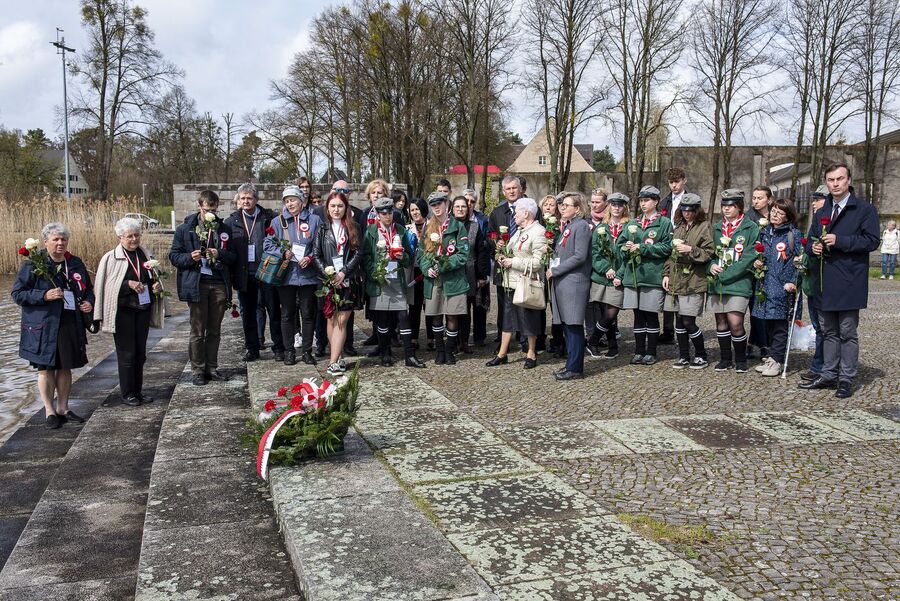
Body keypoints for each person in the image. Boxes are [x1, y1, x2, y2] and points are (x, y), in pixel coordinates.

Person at [799, 164, 880, 398]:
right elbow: (811, 239)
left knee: (847, 331)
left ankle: (846, 378)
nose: (835, 184)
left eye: (840, 179)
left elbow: (872, 241)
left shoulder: (864, 209)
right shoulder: (823, 211)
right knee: (828, 331)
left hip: (849, 280)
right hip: (824, 280)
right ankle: (828, 374)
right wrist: (813, 247)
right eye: (831, 180)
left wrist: (841, 240)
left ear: (848, 181)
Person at [13, 223, 94, 428]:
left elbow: (88, 289)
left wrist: (88, 302)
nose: (60, 243)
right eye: (56, 239)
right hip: (43, 325)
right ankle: (49, 410)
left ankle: (63, 408)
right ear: (45, 242)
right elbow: (18, 294)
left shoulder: (74, 262)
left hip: (69, 322)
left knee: (65, 366)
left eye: (63, 239)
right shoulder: (34, 264)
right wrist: (44, 295)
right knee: (46, 368)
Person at [93, 217, 165, 405]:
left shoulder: (145, 254)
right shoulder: (110, 258)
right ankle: (128, 393)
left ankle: (138, 391)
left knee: (140, 353)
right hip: (122, 311)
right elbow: (105, 287)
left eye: (137, 235)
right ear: (120, 237)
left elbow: (151, 278)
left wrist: (156, 286)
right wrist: (127, 284)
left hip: (142, 309)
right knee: (127, 354)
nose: (134, 239)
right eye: (129, 236)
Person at [169, 190, 237, 385]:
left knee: (214, 330)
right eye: (207, 209)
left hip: (218, 283)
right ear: (199, 207)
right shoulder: (185, 229)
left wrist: (220, 253)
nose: (211, 213)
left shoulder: (224, 229)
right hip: (196, 283)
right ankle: (198, 370)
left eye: (214, 210)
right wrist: (190, 257)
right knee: (197, 329)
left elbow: (233, 257)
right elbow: (174, 257)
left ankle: (212, 368)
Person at [224, 183, 284, 362]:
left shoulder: (269, 217)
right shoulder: (231, 221)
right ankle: (252, 348)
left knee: (273, 311)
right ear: (238, 200)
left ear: (256, 200)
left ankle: (278, 347)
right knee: (248, 313)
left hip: (267, 272)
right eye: (242, 198)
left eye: (249, 198)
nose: (246, 201)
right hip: (244, 275)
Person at [363, 197, 425, 367]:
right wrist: (374, 272)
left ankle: (409, 356)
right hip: (379, 279)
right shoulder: (371, 231)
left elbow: (410, 257)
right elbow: (366, 256)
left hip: (397, 278)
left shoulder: (401, 230)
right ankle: (385, 353)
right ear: (378, 214)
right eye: (384, 213)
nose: (388, 216)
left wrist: (402, 256)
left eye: (390, 212)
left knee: (403, 316)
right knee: (382, 319)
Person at [486, 197, 548, 369]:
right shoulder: (520, 230)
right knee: (508, 319)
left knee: (528, 318)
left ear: (526, 213)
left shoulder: (539, 232)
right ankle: (502, 353)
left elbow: (538, 263)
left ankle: (531, 353)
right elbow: (512, 251)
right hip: (511, 282)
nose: (514, 215)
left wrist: (512, 263)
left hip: (526, 283)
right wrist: (502, 253)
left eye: (517, 212)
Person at [265, 185, 323, 366]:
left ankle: (307, 351)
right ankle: (289, 351)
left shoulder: (314, 220)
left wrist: (310, 257)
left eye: (293, 199)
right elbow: (268, 245)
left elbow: (319, 244)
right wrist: (282, 253)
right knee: (287, 314)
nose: (290, 204)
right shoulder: (278, 221)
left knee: (307, 314)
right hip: (286, 276)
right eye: (287, 201)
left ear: (302, 201)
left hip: (308, 275)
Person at [617, 185, 673, 365]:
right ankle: (639, 350)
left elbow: (667, 248)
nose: (643, 204)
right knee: (638, 315)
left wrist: (644, 248)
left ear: (656, 201)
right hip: (633, 276)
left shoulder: (664, 223)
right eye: (641, 200)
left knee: (651, 315)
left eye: (647, 200)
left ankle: (651, 351)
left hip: (652, 277)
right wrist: (625, 248)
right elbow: (620, 244)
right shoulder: (633, 223)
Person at [706, 189, 760, 373]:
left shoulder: (750, 227)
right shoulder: (716, 227)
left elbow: (749, 257)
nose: (726, 209)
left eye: (731, 206)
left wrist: (727, 275)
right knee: (721, 321)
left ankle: (741, 359)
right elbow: (709, 252)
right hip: (717, 282)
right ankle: (725, 358)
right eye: (724, 206)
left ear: (739, 207)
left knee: (735, 322)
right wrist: (711, 266)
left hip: (738, 282)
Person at [751, 198, 804, 377]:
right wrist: (757, 263)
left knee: (780, 326)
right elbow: (759, 254)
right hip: (765, 285)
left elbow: (800, 261)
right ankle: (773, 356)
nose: (775, 215)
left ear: (788, 216)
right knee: (768, 325)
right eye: (773, 211)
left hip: (783, 287)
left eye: (780, 213)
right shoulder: (765, 232)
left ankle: (778, 360)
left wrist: (794, 282)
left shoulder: (793, 234)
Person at [313, 191, 364, 376]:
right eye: (333, 206)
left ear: (346, 208)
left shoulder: (354, 227)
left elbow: (358, 253)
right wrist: (328, 274)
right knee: (331, 319)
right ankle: (339, 356)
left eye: (340, 206)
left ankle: (332, 362)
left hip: (348, 280)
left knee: (342, 320)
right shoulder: (322, 229)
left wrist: (343, 272)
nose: (336, 209)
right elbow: (316, 254)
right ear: (327, 208)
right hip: (328, 281)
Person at [661, 193, 713, 369]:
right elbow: (670, 255)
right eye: (683, 209)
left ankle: (701, 354)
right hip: (676, 280)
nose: (687, 213)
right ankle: (683, 355)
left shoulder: (705, 227)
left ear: (697, 210)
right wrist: (666, 274)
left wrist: (690, 249)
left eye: (690, 210)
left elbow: (708, 253)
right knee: (678, 322)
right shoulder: (679, 227)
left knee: (688, 321)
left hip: (694, 280)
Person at [420, 192, 470, 364]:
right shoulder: (428, 227)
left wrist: (442, 265)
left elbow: (463, 254)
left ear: (446, 204)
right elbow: (421, 254)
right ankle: (439, 351)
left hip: (453, 279)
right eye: (433, 205)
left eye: (439, 204)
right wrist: (427, 269)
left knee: (452, 315)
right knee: (435, 315)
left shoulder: (457, 226)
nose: (437, 207)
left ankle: (450, 350)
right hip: (433, 280)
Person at [548, 192, 592, 380]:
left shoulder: (581, 226)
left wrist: (556, 271)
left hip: (573, 283)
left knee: (574, 326)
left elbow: (580, 256)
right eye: (562, 205)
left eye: (567, 205)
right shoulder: (568, 226)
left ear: (578, 209)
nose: (562, 207)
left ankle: (575, 368)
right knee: (567, 326)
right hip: (564, 283)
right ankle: (570, 364)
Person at [586, 193, 630, 359]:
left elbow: (630, 255)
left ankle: (593, 341)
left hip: (618, 278)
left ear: (624, 207)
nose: (617, 208)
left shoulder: (629, 227)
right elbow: (595, 253)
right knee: (605, 313)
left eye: (620, 205)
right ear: (609, 206)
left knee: (612, 312)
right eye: (614, 205)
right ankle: (613, 346)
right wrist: (605, 268)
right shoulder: (601, 228)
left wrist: (620, 274)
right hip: (602, 277)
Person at [488, 176, 524, 345]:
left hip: (523, 266)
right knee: (504, 305)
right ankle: (504, 340)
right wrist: (497, 241)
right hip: (503, 266)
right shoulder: (497, 212)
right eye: (508, 189)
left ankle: (525, 338)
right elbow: (490, 234)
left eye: (514, 188)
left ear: (520, 189)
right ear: (503, 192)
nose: (511, 191)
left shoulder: (530, 209)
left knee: (524, 302)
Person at [453, 196, 490, 353]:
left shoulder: (475, 226)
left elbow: (481, 251)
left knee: (467, 307)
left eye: (463, 207)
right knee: (455, 309)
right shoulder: (448, 226)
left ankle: (465, 342)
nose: (461, 209)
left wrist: (482, 275)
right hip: (453, 272)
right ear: (452, 209)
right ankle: (454, 341)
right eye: (457, 207)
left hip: (470, 271)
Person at [800, 186, 829, 382]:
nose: (813, 203)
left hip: (827, 284)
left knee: (827, 329)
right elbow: (809, 244)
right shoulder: (816, 221)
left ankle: (825, 367)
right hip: (812, 283)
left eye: (818, 199)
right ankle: (819, 366)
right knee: (819, 328)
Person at [658, 167, 688, 344]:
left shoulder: (691, 200)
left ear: (684, 180)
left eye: (677, 181)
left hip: (682, 241)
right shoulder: (664, 202)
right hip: (667, 242)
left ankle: (681, 327)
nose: (674, 185)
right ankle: (668, 330)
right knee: (668, 287)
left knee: (681, 285)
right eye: (671, 182)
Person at [745, 186, 774, 360]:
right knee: (755, 307)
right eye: (754, 198)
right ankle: (762, 344)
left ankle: (755, 342)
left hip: (771, 267)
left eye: (760, 198)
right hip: (753, 267)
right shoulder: (749, 218)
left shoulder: (775, 215)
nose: (755, 201)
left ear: (769, 200)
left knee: (765, 307)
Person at [540, 194, 565, 354]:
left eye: (552, 205)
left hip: (553, 269)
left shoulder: (556, 227)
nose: (548, 207)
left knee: (555, 306)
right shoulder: (537, 225)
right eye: (546, 204)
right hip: (539, 270)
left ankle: (558, 340)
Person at [585, 188, 608, 354]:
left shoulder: (608, 221)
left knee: (604, 305)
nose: (594, 205)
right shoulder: (585, 221)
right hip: (588, 268)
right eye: (592, 202)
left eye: (598, 202)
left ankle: (603, 334)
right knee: (590, 304)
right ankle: (591, 335)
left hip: (605, 269)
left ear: (605, 203)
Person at [406, 197, 430, 348]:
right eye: (412, 209)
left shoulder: (433, 227)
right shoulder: (407, 229)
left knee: (429, 305)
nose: (415, 212)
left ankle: (431, 338)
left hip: (429, 270)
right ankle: (413, 337)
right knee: (414, 306)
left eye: (417, 209)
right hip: (413, 270)